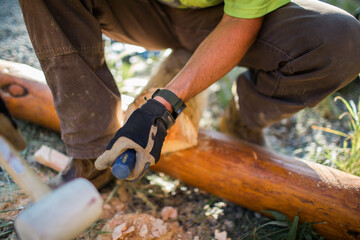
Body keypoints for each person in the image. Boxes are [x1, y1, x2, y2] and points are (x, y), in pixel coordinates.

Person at [18, 0, 360, 188]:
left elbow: (239, 22)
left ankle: (241, 123)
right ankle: (94, 155)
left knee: (340, 40)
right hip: (141, 11)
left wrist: (161, 107)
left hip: (227, 16)